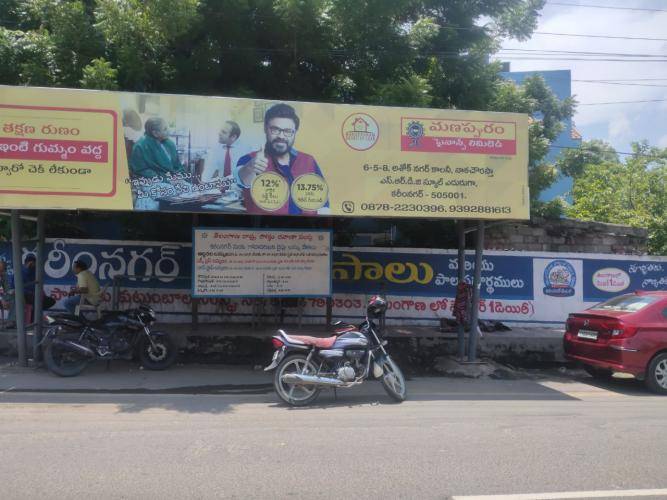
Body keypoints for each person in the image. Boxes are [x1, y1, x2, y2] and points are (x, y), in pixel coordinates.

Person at [236, 103, 328, 215]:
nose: (282, 136)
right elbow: (241, 179)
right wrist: (250, 167)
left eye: (288, 131)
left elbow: (323, 200)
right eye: (275, 129)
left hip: (306, 229)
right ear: (265, 129)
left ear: (295, 133)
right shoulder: (249, 160)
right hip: (267, 230)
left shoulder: (309, 160)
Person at [200, 121, 249, 193]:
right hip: (221, 191)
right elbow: (209, 167)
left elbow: (245, 174)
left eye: (224, 132)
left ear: (233, 137)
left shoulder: (245, 149)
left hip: (239, 190)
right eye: (220, 130)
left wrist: (228, 183)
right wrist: (203, 183)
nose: (219, 133)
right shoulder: (216, 148)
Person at [0, 260, 14, 326]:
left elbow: (6, 289)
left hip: (2, 296)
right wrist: (2, 299)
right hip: (1, 298)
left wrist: (12, 291)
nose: (3, 271)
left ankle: (10, 321)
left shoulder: (3, 275)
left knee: (15, 299)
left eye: (4, 269)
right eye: (2, 270)